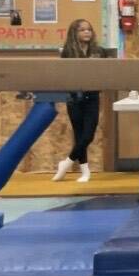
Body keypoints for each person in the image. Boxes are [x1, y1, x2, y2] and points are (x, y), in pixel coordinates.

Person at [52, 19, 109, 183]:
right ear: (74, 33)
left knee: (88, 135)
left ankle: (66, 163)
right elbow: (64, 75)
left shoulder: (99, 51)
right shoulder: (68, 52)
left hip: (92, 96)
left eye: (89, 29)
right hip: (74, 97)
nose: (87, 32)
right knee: (79, 134)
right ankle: (85, 171)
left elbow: (106, 71)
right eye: (82, 30)